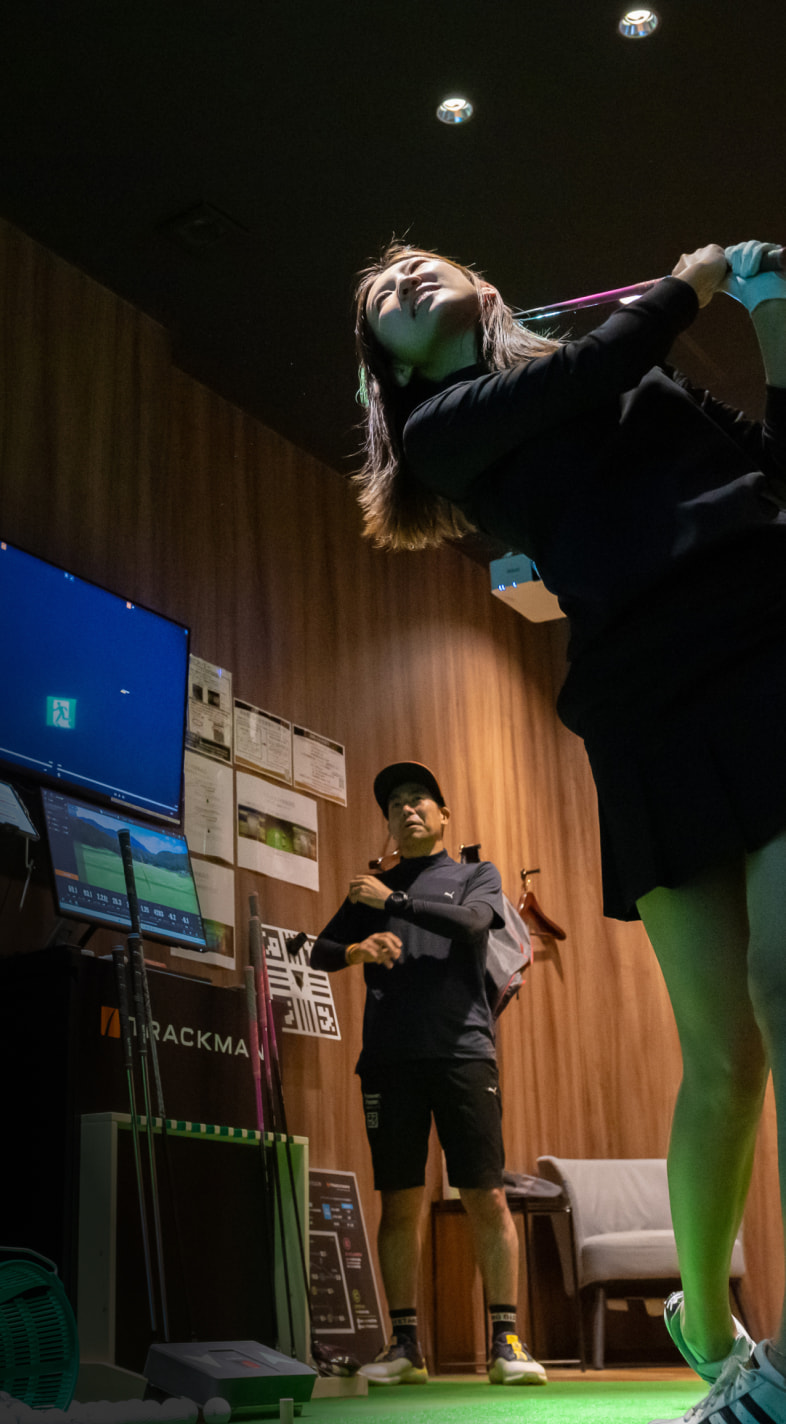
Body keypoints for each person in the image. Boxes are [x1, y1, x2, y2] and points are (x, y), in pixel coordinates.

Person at [351, 239, 786, 1424]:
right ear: (394, 365)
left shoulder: (626, 374)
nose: (401, 279)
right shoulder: (446, 428)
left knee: (782, 984)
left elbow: (771, 463)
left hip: (769, 647)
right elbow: (593, 370)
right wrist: (693, 282)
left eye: (416, 265)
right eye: (382, 296)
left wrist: (769, 310)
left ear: (482, 288)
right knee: (724, 1052)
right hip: (644, 707)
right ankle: (711, 1330)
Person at [310, 760, 548, 1387]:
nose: (407, 809)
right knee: (398, 1200)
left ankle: (507, 1341)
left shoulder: (475, 876)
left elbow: (473, 925)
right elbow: (320, 950)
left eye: (419, 799)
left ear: (443, 815)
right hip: (389, 1061)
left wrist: (392, 902)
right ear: (388, 824)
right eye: (395, 805)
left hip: (464, 1052)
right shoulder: (370, 888)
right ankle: (405, 1346)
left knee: (485, 1193)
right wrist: (358, 948)